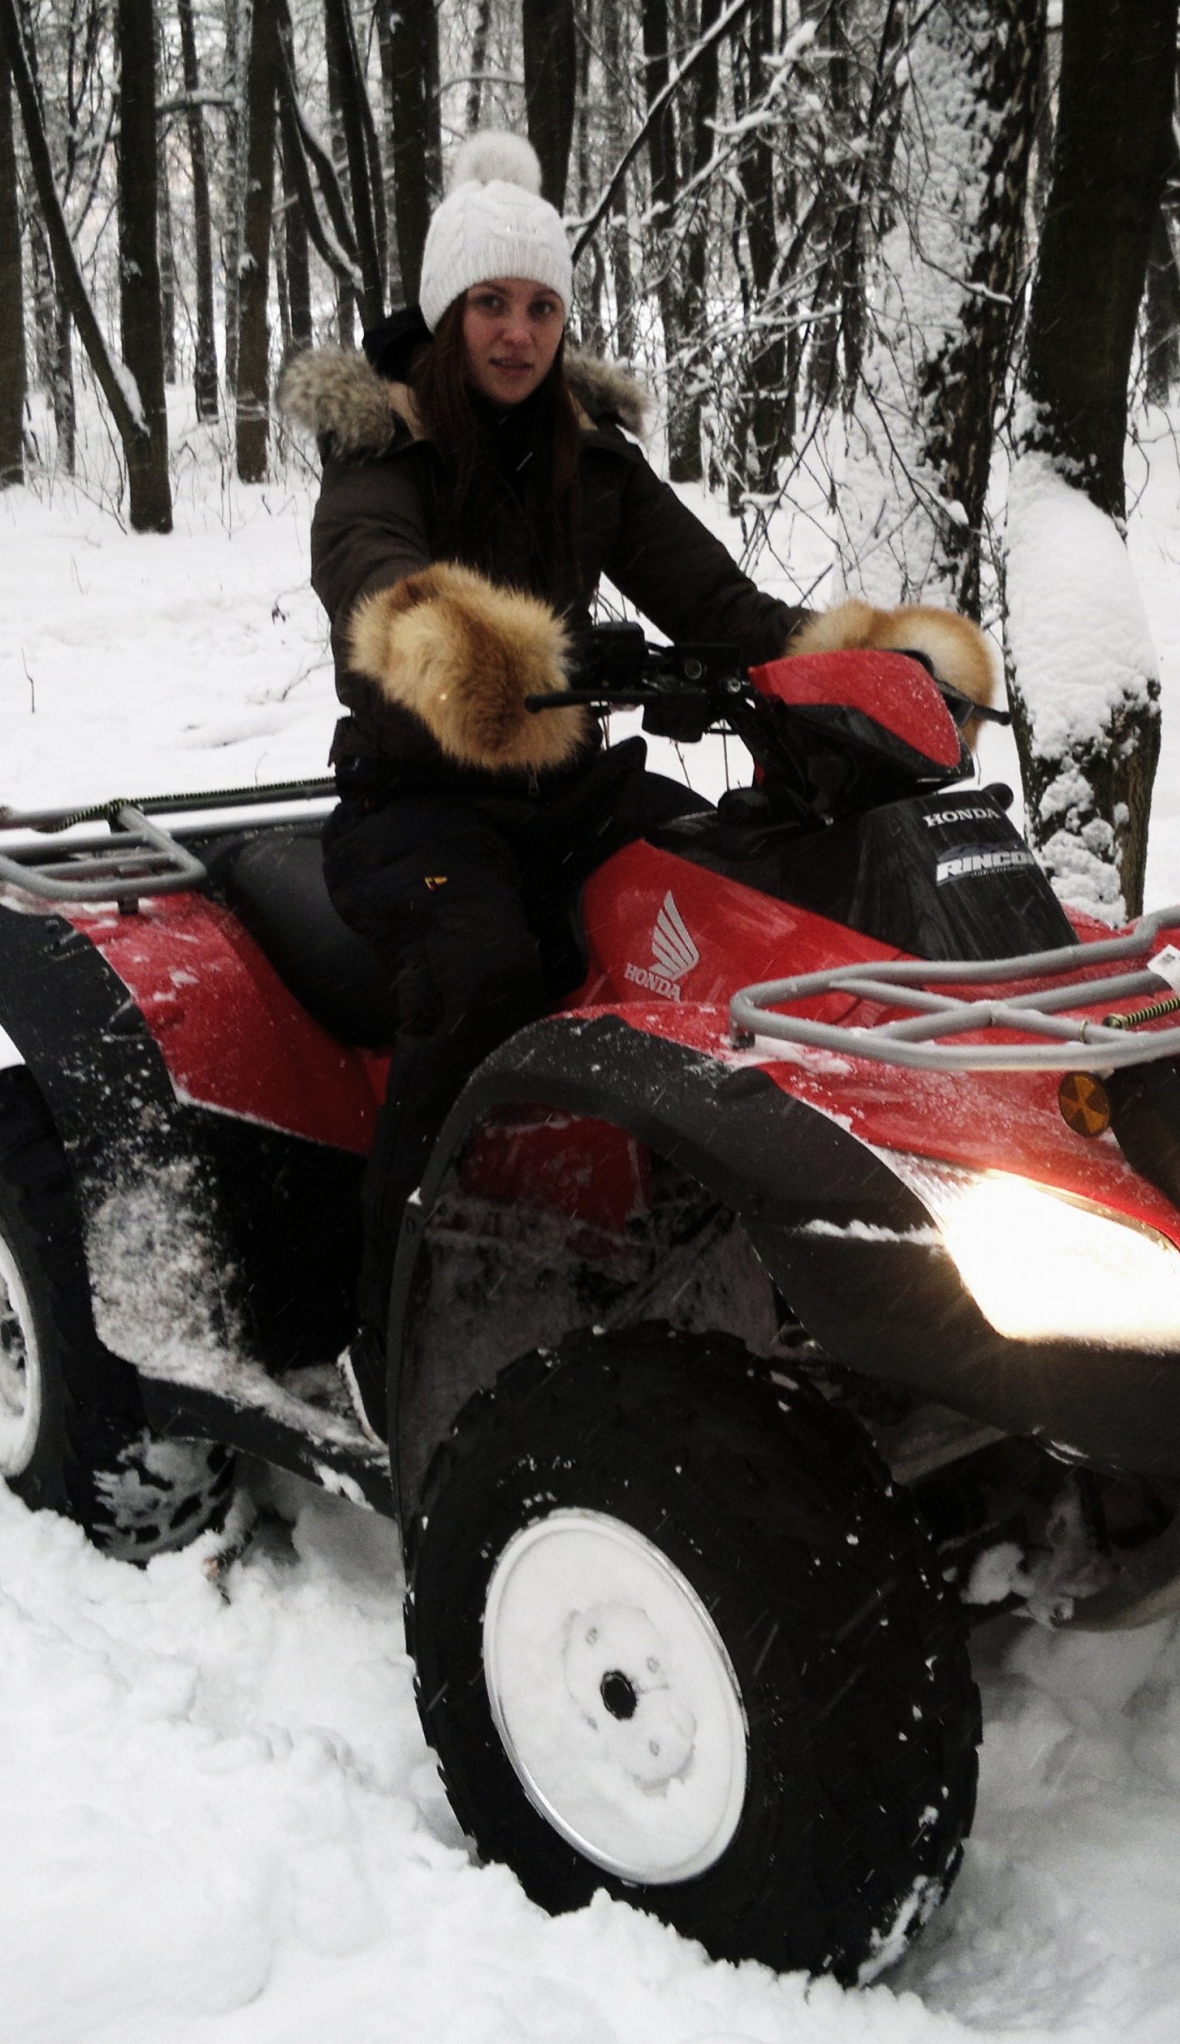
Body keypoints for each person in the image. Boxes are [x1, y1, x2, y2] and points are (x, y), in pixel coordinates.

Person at [280, 129, 995, 1398]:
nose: (518, 333)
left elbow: (719, 603)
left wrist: (859, 674)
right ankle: (382, 1330)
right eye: (491, 304)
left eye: (541, 307)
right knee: (480, 970)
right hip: (415, 805)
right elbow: (377, 585)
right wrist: (472, 653)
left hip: (566, 789)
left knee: (737, 890)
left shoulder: (590, 457)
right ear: (446, 315)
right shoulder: (382, 454)